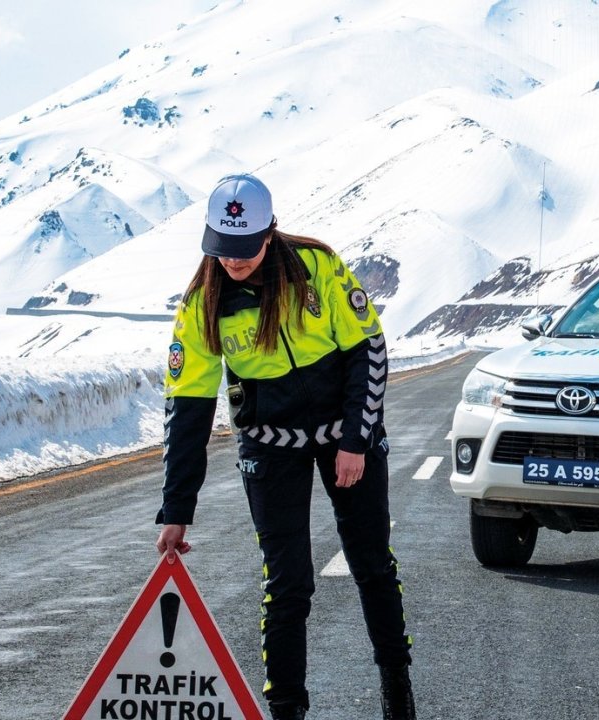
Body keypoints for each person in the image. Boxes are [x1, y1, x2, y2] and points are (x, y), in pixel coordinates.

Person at [155, 173, 415, 719]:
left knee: (371, 562)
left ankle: (398, 693)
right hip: (268, 445)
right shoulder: (203, 302)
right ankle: (287, 711)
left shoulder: (316, 267)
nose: (233, 262)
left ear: (269, 234)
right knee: (288, 580)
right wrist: (176, 511)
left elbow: (369, 351)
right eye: (222, 251)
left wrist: (355, 440)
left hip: (344, 434)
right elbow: (188, 410)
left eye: (245, 251)